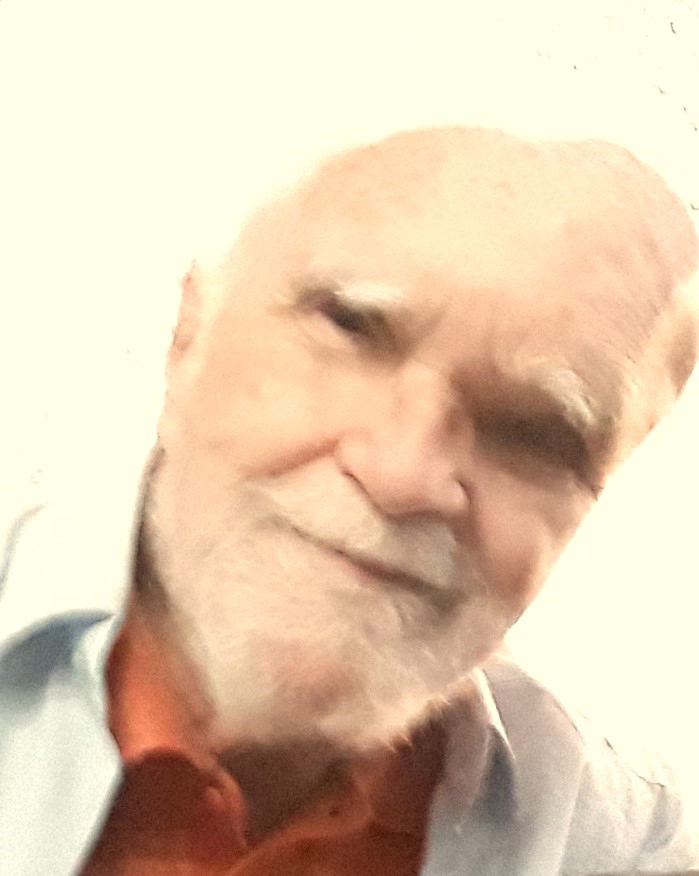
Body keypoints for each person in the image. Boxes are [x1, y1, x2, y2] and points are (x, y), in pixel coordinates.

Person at [1, 126, 698, 876]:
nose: (401, 475)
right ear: (188, 334)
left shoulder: (615, 846)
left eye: (536, 431)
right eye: (351, 327)